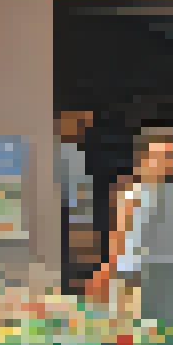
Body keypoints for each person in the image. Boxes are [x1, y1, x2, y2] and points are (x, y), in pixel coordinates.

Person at [104, 126, 173, 331]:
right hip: (137, 282)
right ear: (143, 159)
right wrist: (122, 284)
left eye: (167, 157)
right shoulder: (130, 196)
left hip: (169, 281)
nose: (164, 163)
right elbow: (118, 243)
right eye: (158, 156)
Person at [58, 110, 98, 295]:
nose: (81, 130)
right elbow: (79, 204)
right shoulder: (69, 154)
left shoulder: (67, 153)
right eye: (79, 123)